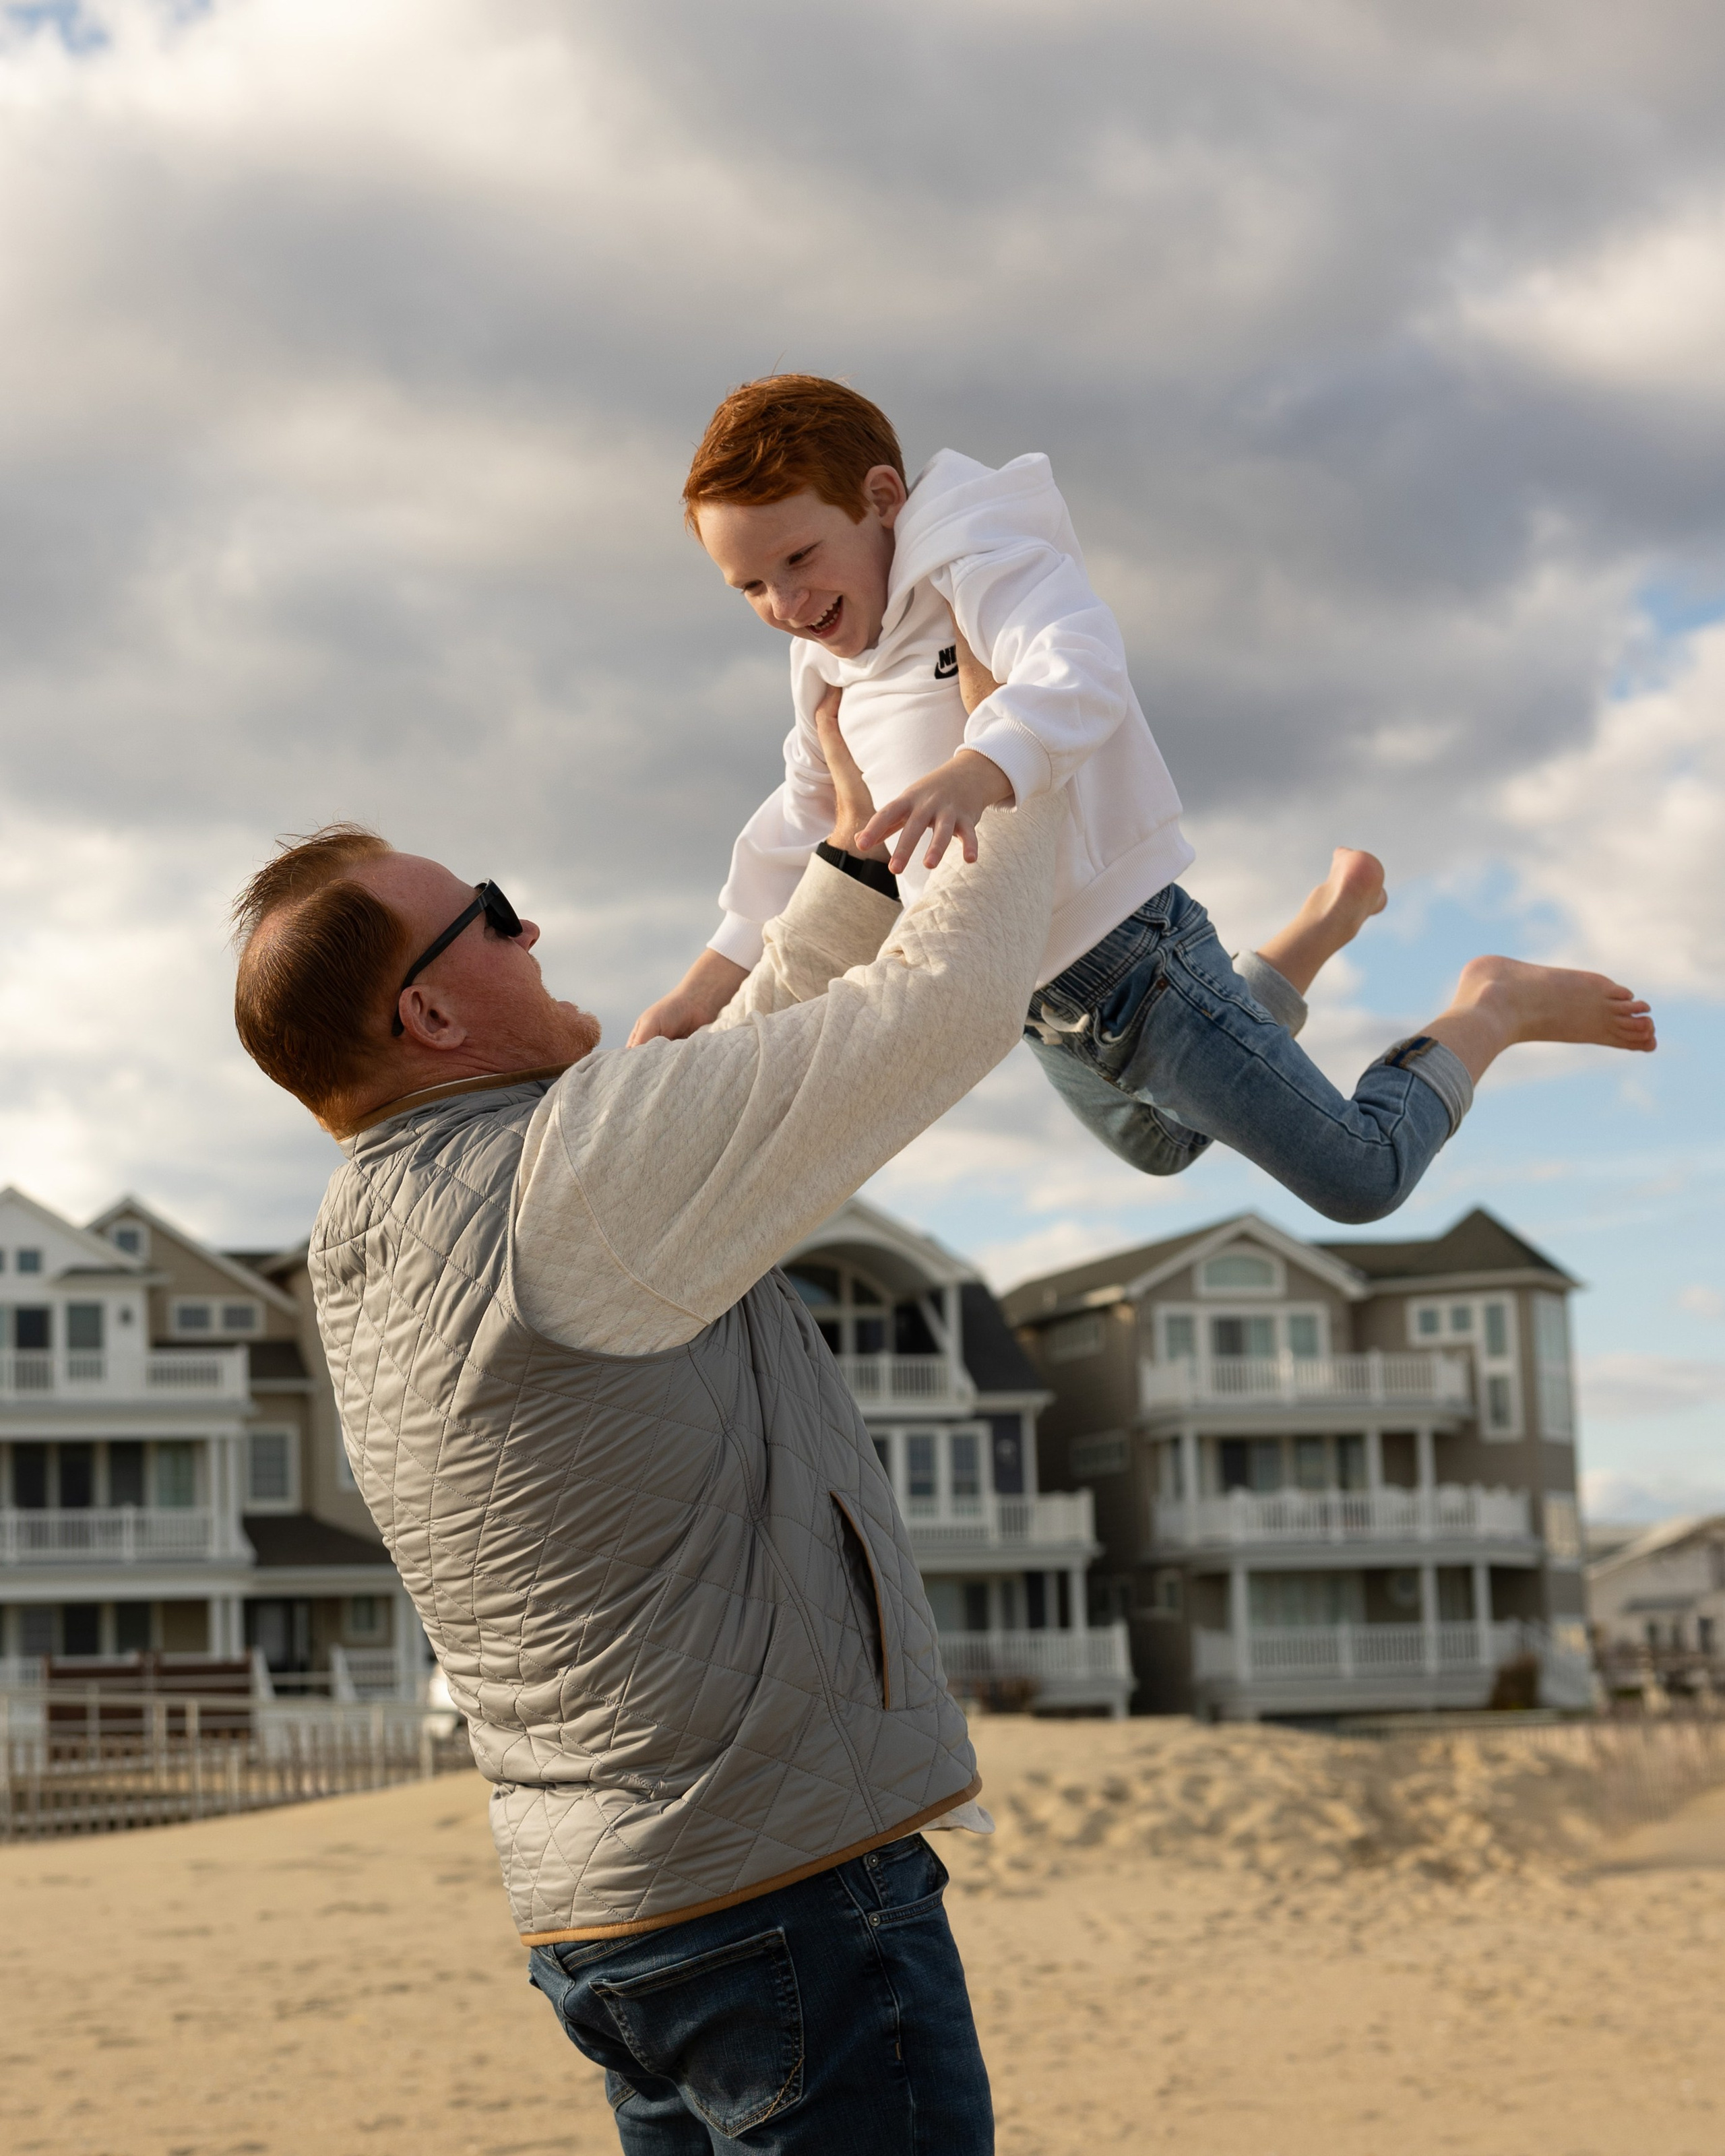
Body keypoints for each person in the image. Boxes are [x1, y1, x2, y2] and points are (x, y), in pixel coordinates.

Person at [231, 685, 1059, 2153]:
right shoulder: (562, 1187)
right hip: (778, 1904)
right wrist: (1029, 757)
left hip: (615, 1923)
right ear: (425, 1012)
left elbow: (714, 1093)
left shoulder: (378, 1223)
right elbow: (950, 1009)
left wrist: (859, 866)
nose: (527, 927)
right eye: (489, 912)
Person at [635, 375, 1655, 1222]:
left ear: (884, 498)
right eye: (751, 588)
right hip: (1028, 992)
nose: (786, 607)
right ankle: (1323, 923)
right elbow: (798, 829)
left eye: (799, 559)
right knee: (1159, 1144)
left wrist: (983, 765)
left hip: (1136, 956)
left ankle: (1493, 1005)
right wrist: (708, 983)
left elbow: (1079, 664)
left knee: (1360, 1177)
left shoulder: (977, 566)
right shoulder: (826, 676)